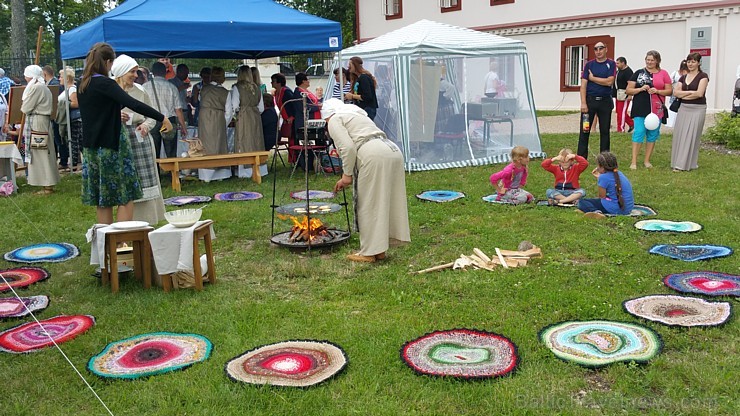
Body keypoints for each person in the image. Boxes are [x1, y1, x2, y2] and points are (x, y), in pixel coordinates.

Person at [77, 42, 171, 224]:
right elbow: (133, 104)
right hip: (112, 146)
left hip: (91, 149)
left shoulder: (83, 83)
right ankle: (122, 243)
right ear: (108, 62)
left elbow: (100, 109)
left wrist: (113, 113)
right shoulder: (105, 83)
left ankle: (106, 243)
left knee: (103, 200)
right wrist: (162, 117)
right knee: (125, 196)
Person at [322, 98, 410, 263]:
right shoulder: (357, 115)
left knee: (368, 203)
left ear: (328, 115)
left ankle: (369, 252)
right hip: (392, 150)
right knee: (385, 201)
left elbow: (347, 147)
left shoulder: (335, 119)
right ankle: (380, 250)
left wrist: (346, 175)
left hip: (373, 154)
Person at [111, 54, 166, 225]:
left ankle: (147, 219)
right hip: (118, 136)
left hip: (138, 136)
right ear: (121, 72)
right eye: (132, 72)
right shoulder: (109, 89)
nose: (136, 75)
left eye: (136, 71)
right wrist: (112, 116)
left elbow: (151, 115)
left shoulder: (140, 90)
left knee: (145, 179)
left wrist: (146, 126)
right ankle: (126, 220)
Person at [626, 50, 672, 170]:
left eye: (652, 60)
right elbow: (628, 90)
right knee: (639, 132)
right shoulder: (638, 73)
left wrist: (658, 91)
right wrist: (640, 89)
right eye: (647, 59)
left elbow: (669, 91)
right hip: (640, 107)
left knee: (652, 134)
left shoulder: (664, 73)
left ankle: (647, 160)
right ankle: (634, 161)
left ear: (657, 61)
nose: (649, 62)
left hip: (656, 108)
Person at [20, 65, 61, 195]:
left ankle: (47, 184)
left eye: (26, 74)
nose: (24, 77)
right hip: (40, 120)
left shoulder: (36, 87)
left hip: (38, 121)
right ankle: (45, 182)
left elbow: (26, 107)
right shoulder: (42, 87)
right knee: (41, 151)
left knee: (41, 151)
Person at [671, 53, 709, 172]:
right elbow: (676, 93)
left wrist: (684, 94)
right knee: (681, 134)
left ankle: (684, 165)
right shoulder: (683, 77)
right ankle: (678, 161)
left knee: (691, 135)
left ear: (698, 63)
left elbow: (699, 94)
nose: (690, 64)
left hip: (698, 109)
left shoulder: (703, 76)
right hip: (683, 108)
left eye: (693, 61)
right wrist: (690, 94)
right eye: (688, 62)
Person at [577, 42, 616, 159]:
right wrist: (583, 103)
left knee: (605, 131)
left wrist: (593, 78)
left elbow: (609, 81)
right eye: (595, 49)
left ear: (606, 49)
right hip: (590, 101)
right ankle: (581, 158)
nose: (598, 51)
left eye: (600, 48)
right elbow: (583, 85)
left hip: (605, 101)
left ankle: (604, 158)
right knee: (585, 130)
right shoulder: (589, 65)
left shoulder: (611, 64)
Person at [143, 62, 187, 158]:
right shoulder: (172, 87)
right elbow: (178, 110)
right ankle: (171, 172)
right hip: (169, 120)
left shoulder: (145, 87)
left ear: (152, 72)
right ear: (165, 72)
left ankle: (157, 172)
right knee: (171, 152)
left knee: (154, 152)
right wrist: (183, 126)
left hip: (151, 121)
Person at [577, 151, 634, 219]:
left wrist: (600, 179)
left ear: (602, 167)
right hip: (627, 209)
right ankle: (588, 211)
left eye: (598, 165)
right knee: (594, 201)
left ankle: (596, 212)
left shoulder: (603, 177)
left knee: (582, 202)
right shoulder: (619, 173)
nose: (597, 168)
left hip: (614, 208)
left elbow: (602, 196)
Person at [227, 65, 263, 153]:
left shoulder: (237, 87)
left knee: (243, 140)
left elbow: (235, 106)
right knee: (256, 141)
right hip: (255, 117)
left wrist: (235, 116)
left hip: (243, 116)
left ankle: (244, 164)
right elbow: (261, 108)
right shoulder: (257, 88)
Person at [198, 66, 229, 155]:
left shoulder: (203, 89)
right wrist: (224, 123)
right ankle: (219, 165)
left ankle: (205, 166)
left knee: (204, 143)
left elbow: (200, 100)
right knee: (219, 144)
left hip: (204, 117)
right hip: (218, 117)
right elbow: (229, 112)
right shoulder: (225, 92)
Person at [57, 67, 83, 172]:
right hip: (70, 119)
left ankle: (74, 164)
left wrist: (62, 104)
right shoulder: (67, 89)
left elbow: (75, 103)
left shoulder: (72, 89)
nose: (59, 79)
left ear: (67, 78)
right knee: (79, 142)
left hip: (73, 120)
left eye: (61, 77)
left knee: (73, 142)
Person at [271, 73, 297, 162]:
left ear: (279, 83)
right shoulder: (277, 93)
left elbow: (294, 105)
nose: (271, 83)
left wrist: (292, 116)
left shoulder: (286, 92)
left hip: (292, 120)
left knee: (293, 139)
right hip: (286, 120)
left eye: (273, 81)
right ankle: (292, 159)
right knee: (290, 139)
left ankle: (295, 160)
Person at [612, 57, 634, 133]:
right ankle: (632, 123)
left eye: (618, 63)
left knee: (621, 112)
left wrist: (630, 95)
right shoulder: (619, 71)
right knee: (619, 111)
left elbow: (631, 84)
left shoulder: (628, 72)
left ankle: (620, 130)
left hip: (625, 94)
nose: (616, 65)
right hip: (618, 94)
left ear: (623, 63)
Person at [666, 60, 688, 127]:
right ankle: (673, 124)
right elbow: (670, 82)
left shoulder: (689, 74)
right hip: (674, 95)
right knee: (674, 110)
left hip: (684, 94)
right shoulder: (675, 73)